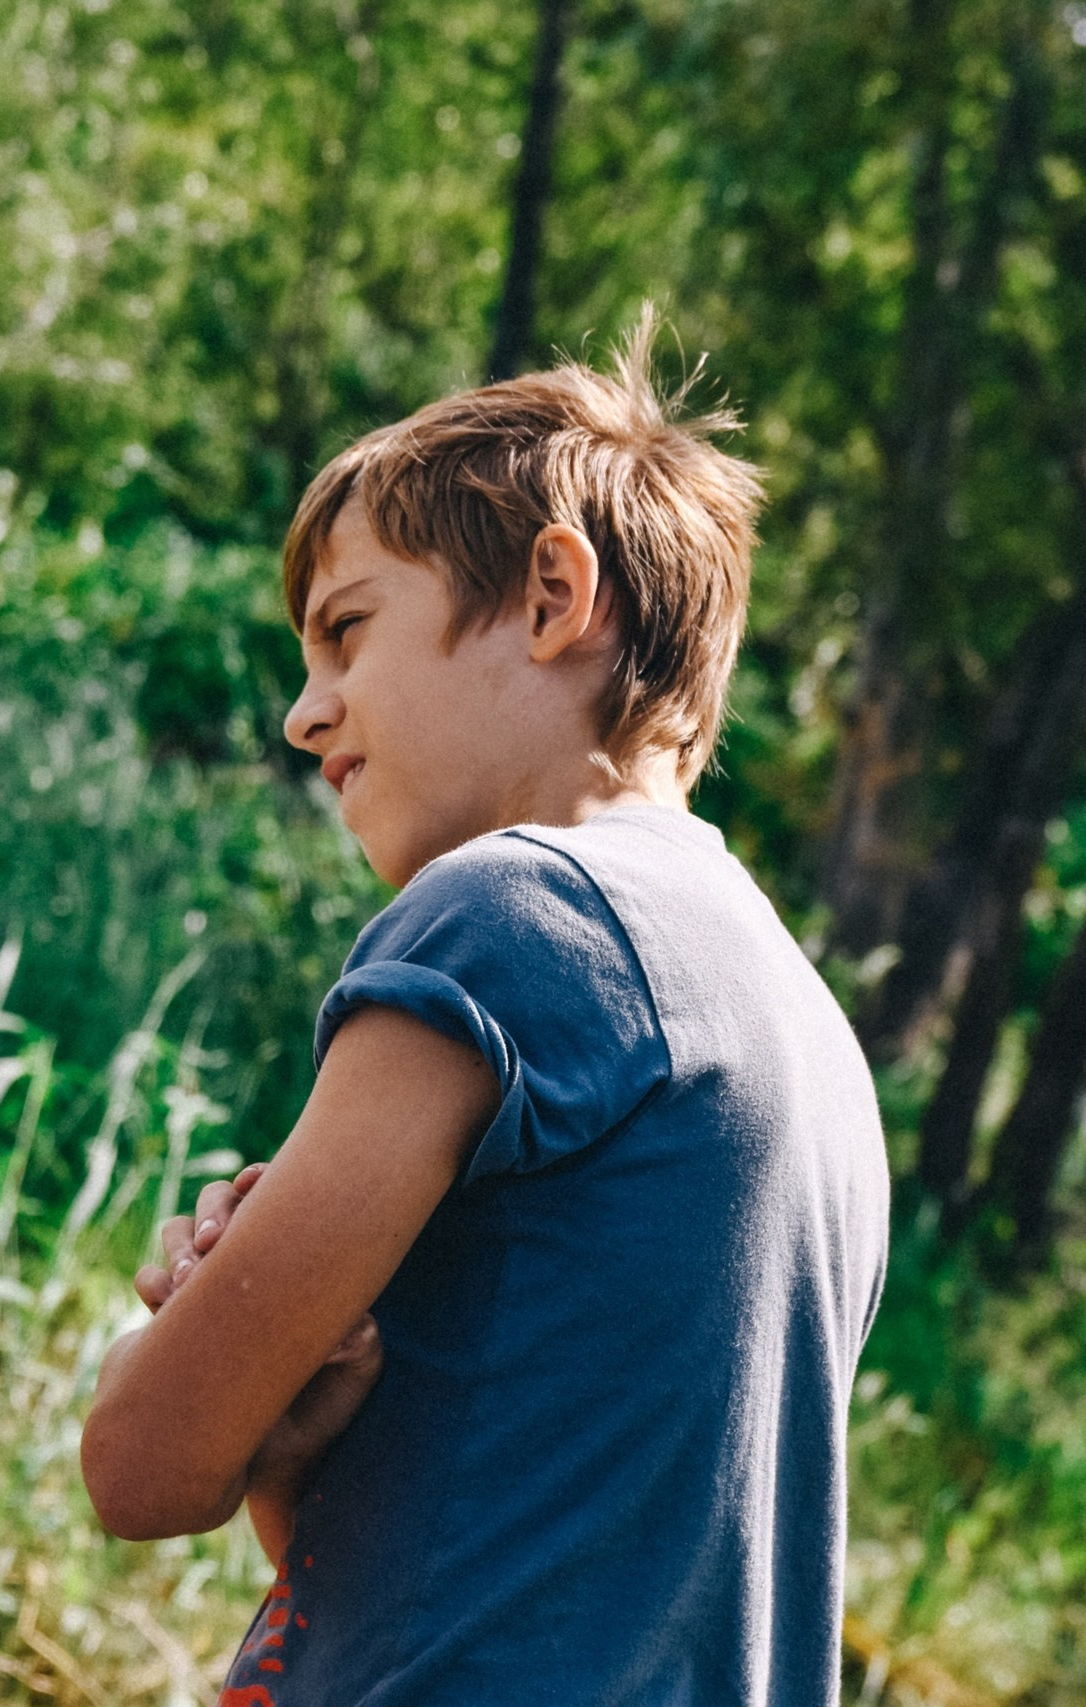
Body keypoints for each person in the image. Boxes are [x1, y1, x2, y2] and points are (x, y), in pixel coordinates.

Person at [79, 326, 890, 1706]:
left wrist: (170, 1349)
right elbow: (503, 1561)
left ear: (553, 597)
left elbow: (142, 1468)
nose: (305, 715)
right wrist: (289, 1451)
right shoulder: (804, 1030)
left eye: (347, 632)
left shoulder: (516, 912)